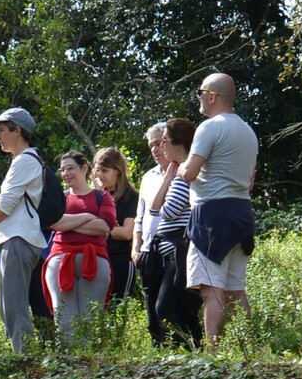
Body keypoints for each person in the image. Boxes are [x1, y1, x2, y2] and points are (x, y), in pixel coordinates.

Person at [172, 72, 260, 347]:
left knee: (211, 289)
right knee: (235, 288)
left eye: (200, 92)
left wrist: (180, 165)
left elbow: (189, 173)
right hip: (242, 213)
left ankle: (213, 353)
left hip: (211, 215)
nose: (198, 98)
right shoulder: (248, 132)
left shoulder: (209, 128)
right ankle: (247, 346)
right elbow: (251, 181)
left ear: (212, 96)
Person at [0, 107, 49, 356]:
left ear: (17, 130)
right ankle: (24, 357)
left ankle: (25, 360)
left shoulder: (24, 161)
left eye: (1, 130)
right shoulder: (25, 161)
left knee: (14, 307)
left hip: (18, 239)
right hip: (16, 238)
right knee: (8, 306)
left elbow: (5, 205)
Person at [134, 118, 200, 347]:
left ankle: (186, 348)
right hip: (160, 250)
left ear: (176, 142)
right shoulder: (158, 175)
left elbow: (167, 211)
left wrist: (168, 181)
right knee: (162, 306)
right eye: (153, 144)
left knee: (171, 304)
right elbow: (149, 211)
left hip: (178, 248)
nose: (158, 148)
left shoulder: (184, 173)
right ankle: (175, 349)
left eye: (162, 142)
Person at [42, 150, 117, 346]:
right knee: (64, 320)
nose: (65, 173)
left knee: (90, 319)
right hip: (60, 261)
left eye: (70, 168)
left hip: (94, 260)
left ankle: (89, 361)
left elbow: (104, 226)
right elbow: (53, 223)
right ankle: (66, 361)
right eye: (62, 170)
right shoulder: (60, 198)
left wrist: (67, 223)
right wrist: (88, 217)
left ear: (84, 168)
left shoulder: (102, 197)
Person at [100, 147, 138, 304]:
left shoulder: (131, 197)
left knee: (117, 308)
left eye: (105, 170)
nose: (100, 175)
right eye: (98, 171)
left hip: (120, 261)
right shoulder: (97, 196)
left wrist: (98, 228)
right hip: (98, 259)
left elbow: (127, 233)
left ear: (117, 171)